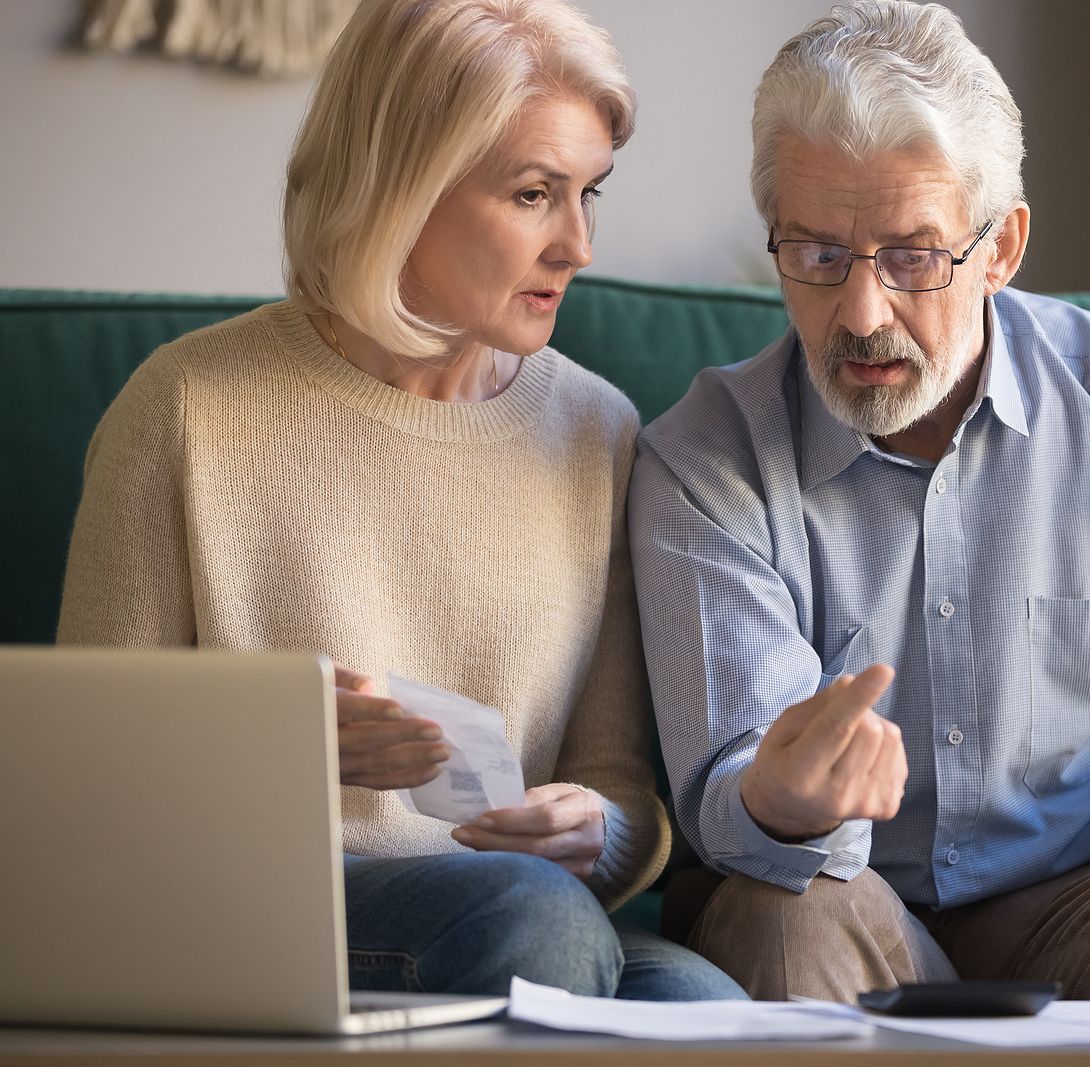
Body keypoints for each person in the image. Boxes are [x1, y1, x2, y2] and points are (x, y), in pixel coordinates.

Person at [631, 0, 1090, 1005]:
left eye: (913, 255)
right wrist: (779, 800)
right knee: (781, 911)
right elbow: (729, 786)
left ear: (1002, 246)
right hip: (840, 885)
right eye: (818, 255)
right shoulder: (704, 459)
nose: (861, 312)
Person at [57, 0, 741, 1002]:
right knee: (535, 921)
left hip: (520, 908)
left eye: (589, 192)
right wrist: (276, 747)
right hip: (253, 903)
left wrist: (596, 829)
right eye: (533, 194)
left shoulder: (597, 431)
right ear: (399, 189)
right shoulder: (185, 407)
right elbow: (81, 776)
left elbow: (619, 788)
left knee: (701, 1006)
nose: (578, 246)